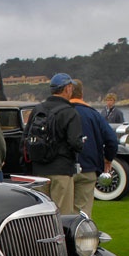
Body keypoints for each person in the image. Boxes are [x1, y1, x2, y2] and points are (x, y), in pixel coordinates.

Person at [27, 73, 85, 214]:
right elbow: (74, 142)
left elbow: (26, 138)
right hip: (61, 170)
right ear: (67, 89)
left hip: (39, 170)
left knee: (41, 215)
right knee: (62, 215)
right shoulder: (70, 112)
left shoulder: (37, 109)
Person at [69, 79, 118, 216]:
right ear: (81, 93)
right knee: (84, 211)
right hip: (88, 167)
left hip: (63, 169)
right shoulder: (93, 114)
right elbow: (111, 140)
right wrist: (108, 159)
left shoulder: (60, 112)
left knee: (63, 210)